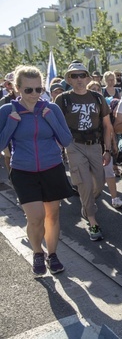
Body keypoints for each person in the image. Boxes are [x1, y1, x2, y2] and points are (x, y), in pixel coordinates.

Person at [0, 65, 73, 275]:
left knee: (52, 215)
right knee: (35, 217)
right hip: (23, 170)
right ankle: (37, 252)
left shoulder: (51, 109)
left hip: (52, 168)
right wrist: (11, 125)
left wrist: (50, 118)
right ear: (17, 89)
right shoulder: (7, 111)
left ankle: (52, 254)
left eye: (38, 89)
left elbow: (67, 140)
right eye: (28, 90)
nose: (34, 94)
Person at [55, 62, 113, 241]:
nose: (79, 79)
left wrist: (108, 149)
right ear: (68, 79)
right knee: (84, 184)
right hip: (74, 145)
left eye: (82, 75)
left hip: (95, 145)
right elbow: (57, 128)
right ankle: (93, 221)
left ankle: (86, 206)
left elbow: (107, 125)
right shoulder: (63, 99)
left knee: (99, 183)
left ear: (88, 78)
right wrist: (59, 150)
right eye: (74, 76)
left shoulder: (97, 97)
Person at [86, 81, 122, 210]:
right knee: (92, 175)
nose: (97, 90)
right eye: (93, 89)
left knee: (109, 171)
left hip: (104, 144)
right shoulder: (85, 107)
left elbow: (109, 127)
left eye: (98, 88)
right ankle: (90, 199)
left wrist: (113, 143)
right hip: (89, 145)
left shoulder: (104, 105)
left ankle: (115, 199)